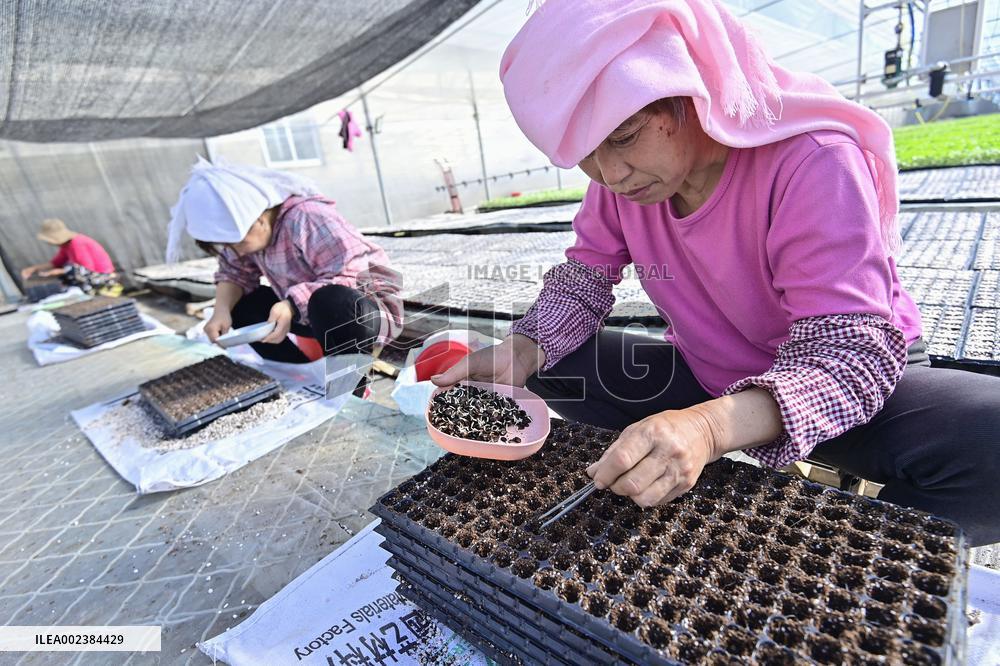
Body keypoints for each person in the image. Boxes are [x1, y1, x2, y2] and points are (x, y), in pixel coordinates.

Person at [434, 0, 1000, 546]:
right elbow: (580, 286)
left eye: (623, 136)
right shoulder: (621, 184)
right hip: (715, 372)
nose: (610, 172)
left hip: (846, 382)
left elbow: (846, 357)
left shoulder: (812, 160)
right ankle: (663, 474)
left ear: (683, 87)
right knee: (558, 361)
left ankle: (840, 542)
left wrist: (705, 429)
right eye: (584, 154)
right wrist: (517, 353)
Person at [166, 159, 403, 382]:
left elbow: (358, 274)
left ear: (258, 218)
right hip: (311, 316)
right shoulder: (250, 238)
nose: (233, 251)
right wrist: (221, 311)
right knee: (240, 304)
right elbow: (233, 272)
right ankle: (299, 375)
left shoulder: (307, 217)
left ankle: (350, 382)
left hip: (364, 314)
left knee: (331, 299)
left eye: (235, 242)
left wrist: (291, 304)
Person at [21, 218, 121, 295]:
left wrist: (60, 271)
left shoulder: (77, 243)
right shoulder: (66, 246)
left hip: (103, 277)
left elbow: (86, 268)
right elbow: (55, 263)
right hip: (89, 276)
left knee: (70, 270)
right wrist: (33, 269)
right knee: (66, 271)